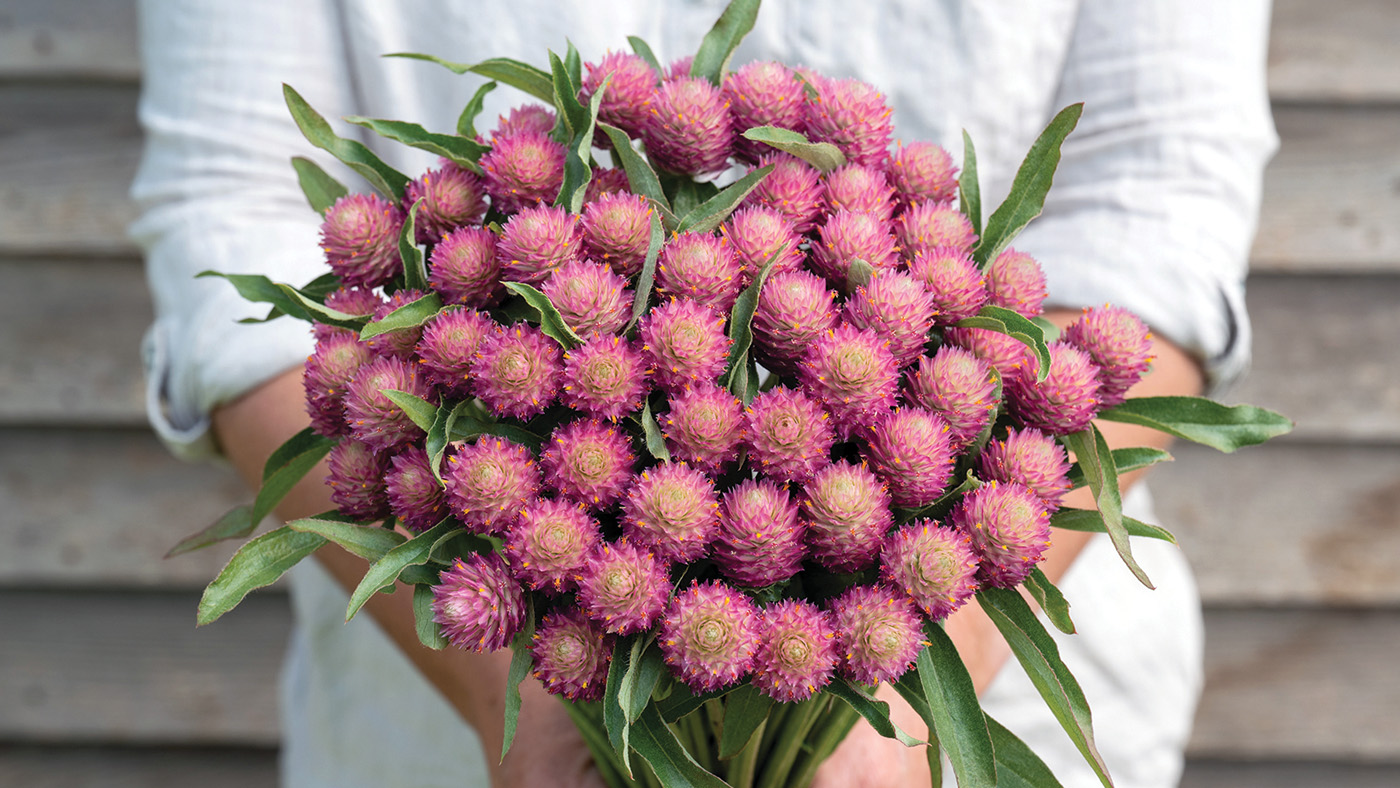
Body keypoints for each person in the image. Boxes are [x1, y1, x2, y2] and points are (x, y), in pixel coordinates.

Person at [132, 1, 1276, 785]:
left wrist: (922, 694)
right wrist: (514, 704)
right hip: (446, 718)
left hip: (973, 698)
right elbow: (227, 202)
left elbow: (1158, 206)